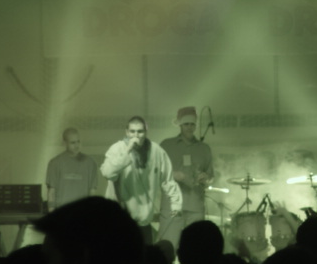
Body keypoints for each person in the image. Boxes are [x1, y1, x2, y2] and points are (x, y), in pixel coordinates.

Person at [100, 115, 182, 244]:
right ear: (126, 132)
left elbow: (168, 179)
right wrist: (128, 150)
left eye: (140, 131)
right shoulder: (117, 148)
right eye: (132, 131)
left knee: (145, 255)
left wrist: (176, 203)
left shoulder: (156, 151)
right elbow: (108, 173)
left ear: (146, 132)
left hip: (144, 223)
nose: (136, 136)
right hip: (119, 222)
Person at [158, 106, 214, 249]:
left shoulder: (204, 149)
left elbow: (211, 177)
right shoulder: (166, 145)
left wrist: (205, 178)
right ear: (180, 125)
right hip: (172, 206)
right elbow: (155, 171)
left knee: (196, 249)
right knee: (167, 247)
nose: (189, 127)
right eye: (186, 124)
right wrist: (173, 174)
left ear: (196, 125)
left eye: (192, 124)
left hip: (195, 206)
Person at [45, 128, 98, 211]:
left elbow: (92, 192)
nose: (77, 145)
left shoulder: (90, 163)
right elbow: (51, 192)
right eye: (73, 143)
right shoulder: (55, 163)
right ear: (64, 143)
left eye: (78, 141)